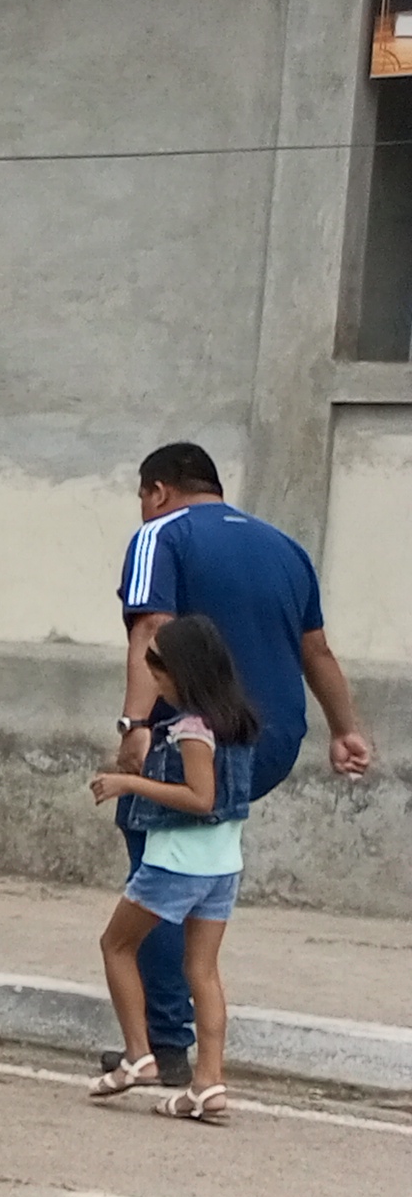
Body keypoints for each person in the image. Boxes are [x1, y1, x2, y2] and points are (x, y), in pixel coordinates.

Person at [108, 442, 372, 1090]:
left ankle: (164, 1042)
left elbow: (151, 628)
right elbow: (317, 650)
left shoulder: (161, 535)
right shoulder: (285, 547)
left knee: (158, 867)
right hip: (269, 738)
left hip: (189, 738)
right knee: (202, 858)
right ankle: (200, 1055)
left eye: (143, 497)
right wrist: (345, 729)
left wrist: (135, 726)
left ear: (158, 491)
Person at [88, 614, 261, 1124]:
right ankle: (208, 1082)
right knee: (202, 970)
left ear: (183, 673)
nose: (154, 680)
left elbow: (199, 797)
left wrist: (128, 784)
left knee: (116, 945)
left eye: (158, 670)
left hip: (175, 863)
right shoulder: (238, 722)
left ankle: (138, 1054)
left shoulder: (192, 728)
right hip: (222, 865)